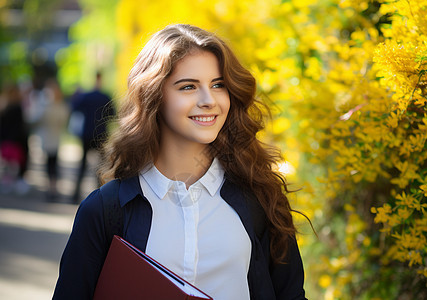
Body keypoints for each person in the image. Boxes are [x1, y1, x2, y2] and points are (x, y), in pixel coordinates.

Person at [53, 24, 308, 300]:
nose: (209, 100)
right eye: (188, 87)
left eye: (218, 85)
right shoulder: (105, 210)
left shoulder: (261, 198)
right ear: (154, 96)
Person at [70, 72, 114, 203]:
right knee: (100, 167)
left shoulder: (86, 96)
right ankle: (100, 195)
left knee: (82, 164)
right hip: (101, 134)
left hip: (87, 133)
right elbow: (112, 115)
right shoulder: (105, 97)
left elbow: (75, 108)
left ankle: (75, 194)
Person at [34, 78, 69, 201]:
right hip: (53, 137)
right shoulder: (59, 106)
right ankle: (52, 187)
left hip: (51, 137)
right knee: (52, 163)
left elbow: (39, 119)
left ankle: (51, 187)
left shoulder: (49, 106)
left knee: (50, 164)